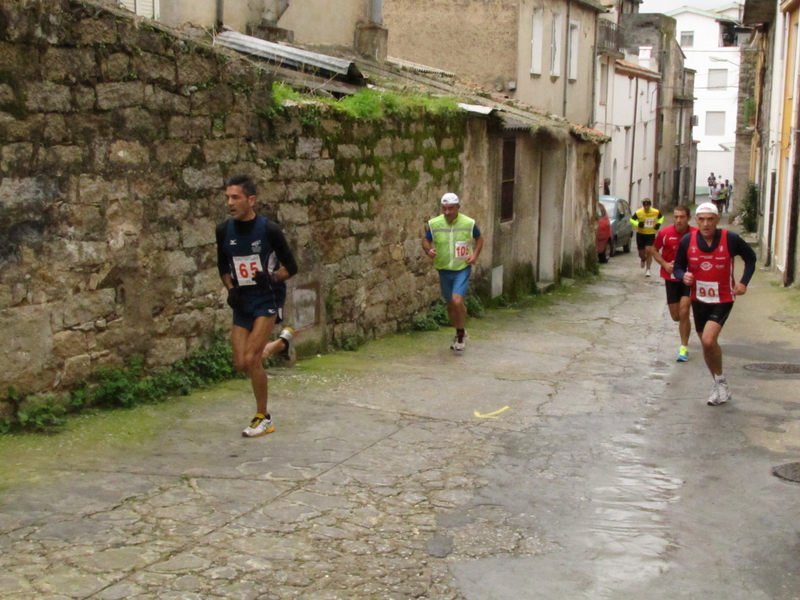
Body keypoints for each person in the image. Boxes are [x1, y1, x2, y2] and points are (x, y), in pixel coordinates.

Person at [216, 174, 298, 437]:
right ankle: (280, 345)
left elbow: (291, 267)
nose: (230, 202)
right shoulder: (223, 231)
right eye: (227, 197)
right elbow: (222, 266)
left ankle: (263, 417)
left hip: (267, 296)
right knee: (241, 363)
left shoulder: (269, 230)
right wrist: (230, 290)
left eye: (235, 197)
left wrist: (272, 277)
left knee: (252, 358)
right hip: (242, 298)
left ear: (251, 200)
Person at [673, 202, 757, 406]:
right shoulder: (688, 240)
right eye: (701, 219)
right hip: (699, 300)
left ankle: (720, 385)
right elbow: (677, 267)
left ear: (718, 220)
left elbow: (751, 258)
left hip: (723, 298)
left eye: (710, 219)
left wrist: (744, 283)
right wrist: (684, 276)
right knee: (707, 345)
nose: (706, 224)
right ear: (696, 221)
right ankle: (720, 383)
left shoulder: (731, 239)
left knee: (709, 340)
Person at [422, 192, 484, 351]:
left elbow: (479, 238)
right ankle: (458, 330)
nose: (447, 212)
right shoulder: (435, 223)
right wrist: (428, 250)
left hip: (461, 268)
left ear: (458, 207)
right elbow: (425, 240)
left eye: (451, 208)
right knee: (450, 303)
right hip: (443, 268)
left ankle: (461, 332)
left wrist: (475, 255)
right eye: (444, 208)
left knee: (457, 300)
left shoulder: (468, 223)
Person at [650, 205, 697, 362]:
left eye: (682, 217)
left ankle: (683, 348)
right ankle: (684, 328)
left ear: (688, 218)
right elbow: (654, 250)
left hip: (688, 279)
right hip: (671, 279)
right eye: (676, 217)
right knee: (676, 315)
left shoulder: (696, 234)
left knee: (684, 312)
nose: (678, 220)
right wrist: (664, 264)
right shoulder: (665, 233)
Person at [629, 198, 664, 277]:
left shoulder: (655, 212)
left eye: (648, 205)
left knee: (649, 251)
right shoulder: (639, 212)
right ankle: (643, 259)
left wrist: (658, 224)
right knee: (641, 253)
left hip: (650, 234)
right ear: (643, 205)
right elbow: (631, 220)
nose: (646, 207)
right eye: (645, 206)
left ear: (650, 205)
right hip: (641, 234)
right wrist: (638, 224)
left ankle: (648, 269)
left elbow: (661, 218)